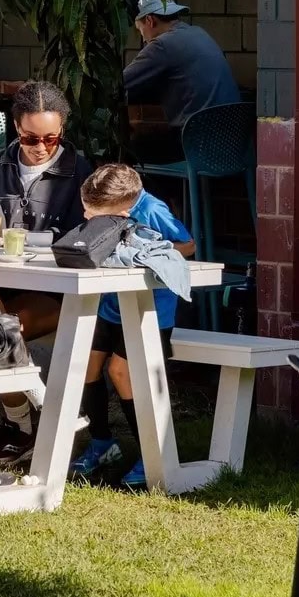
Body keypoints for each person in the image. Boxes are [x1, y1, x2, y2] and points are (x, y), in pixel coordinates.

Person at [0, 80, 91, 452]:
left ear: (62, 133)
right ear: (16, 129)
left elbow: (83, 243)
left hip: (55, 293)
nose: (40, 148)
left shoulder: (81, 173)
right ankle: (19, 413)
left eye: (50, 140)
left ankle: (15, 425)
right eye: (30, 139)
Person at [69, 162, 194, 490]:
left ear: (123, 207)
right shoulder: (110, 207)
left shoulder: (152, 210)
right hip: (111, 305)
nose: (87, 218)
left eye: (94, 213)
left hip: (147, 309)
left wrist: (146, 254)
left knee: (121, 372)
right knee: (86, 365)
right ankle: (101, 443)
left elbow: (187, 245)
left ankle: (151, 455)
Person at [122, 0, 240, 163]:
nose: (144, 38)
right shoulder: (199, 32)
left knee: (130, 148)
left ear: (149, 21)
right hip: (233, 142)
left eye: (140, 30)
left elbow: (119, 84)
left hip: (199, 145)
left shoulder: (161, 45)